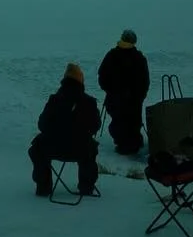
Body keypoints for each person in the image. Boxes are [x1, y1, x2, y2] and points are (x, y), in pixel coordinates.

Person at [28, 62, 102, 197]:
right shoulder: (89, 102)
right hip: (81, 150)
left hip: (54, 149)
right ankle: (87, 187)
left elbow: (42, 125)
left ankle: (43, 187)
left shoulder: (55, 100)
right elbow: (96, 125)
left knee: (36, 147)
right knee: (90, 147)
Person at [97, 28, 151, 156]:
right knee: (132, 122)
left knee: (121, 122)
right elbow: (145, 81)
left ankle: (126, 146)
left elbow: (102, 76)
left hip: (117, 99)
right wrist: (140, 96)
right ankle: (133, 145)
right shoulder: (139, 57)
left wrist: (111, 91)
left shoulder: (112, 55)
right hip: (133, 100)